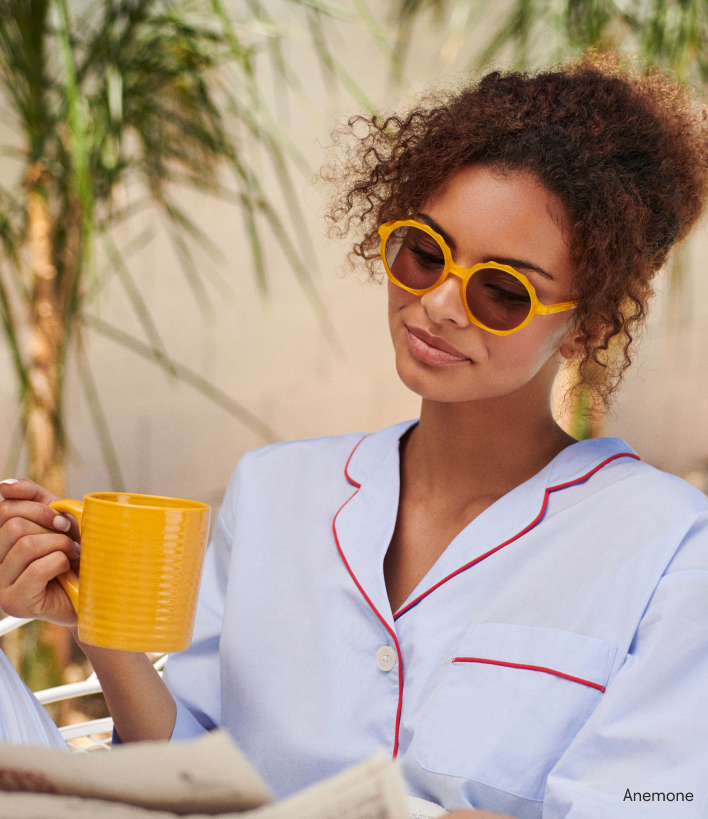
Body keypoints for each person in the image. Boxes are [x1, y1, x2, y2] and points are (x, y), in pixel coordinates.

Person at [1, 54, 707, 818]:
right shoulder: (275, 490)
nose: (438, 304)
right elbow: (186, 768)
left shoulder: (667, 545)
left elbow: (658, 796)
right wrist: (99, 619)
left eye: (502, 291)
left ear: (589, 324)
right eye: (423, 252)